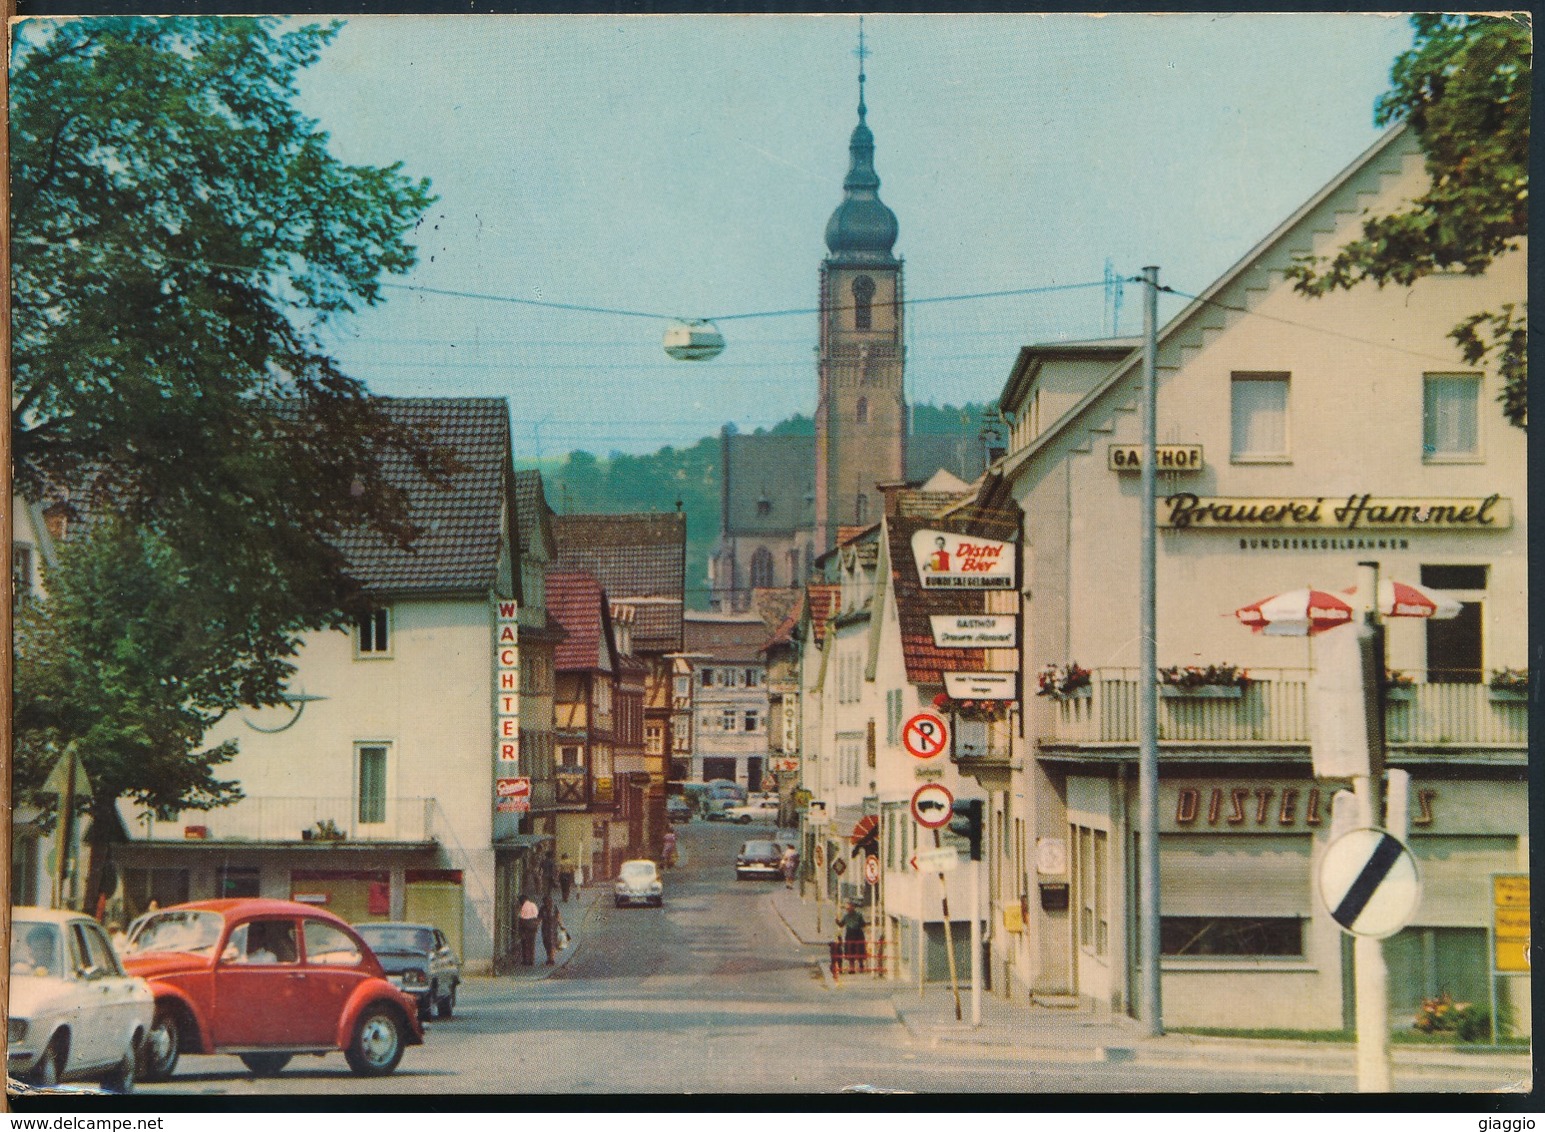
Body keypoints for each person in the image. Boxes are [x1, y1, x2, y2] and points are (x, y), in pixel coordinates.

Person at [837, 901, 867, 973]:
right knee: (850, 951)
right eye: (847, 908)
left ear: (853, 907)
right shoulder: (846, 916)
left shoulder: (858, 915)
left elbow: (863, 924)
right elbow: (841, 924)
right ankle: (851, 968)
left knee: (859, 950)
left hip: (858, 934)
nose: (848, 910)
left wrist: (862, 925)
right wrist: (837, 921)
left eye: (849, 908)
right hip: (849, 934)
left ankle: (861, 966)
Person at [539, 893, 564, 966]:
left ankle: (551, 959)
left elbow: (558, 916)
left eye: (547, 901)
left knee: (552, 943)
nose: (546, 903)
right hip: (545, 928)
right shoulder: (542, 908)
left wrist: (561, 925)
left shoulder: (554, 908)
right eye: (545, 902)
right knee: (546, 943)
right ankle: (549, 957)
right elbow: (539, 918)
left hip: (552, 928)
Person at [517, 893, 540, 966]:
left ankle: (525, 960)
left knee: (524, 943)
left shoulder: (522, 906)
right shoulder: (533, 905)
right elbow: (536, 914)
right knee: (532, 943)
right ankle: (531, 960)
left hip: (525, 925)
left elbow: (520, 916)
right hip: (533, 925)